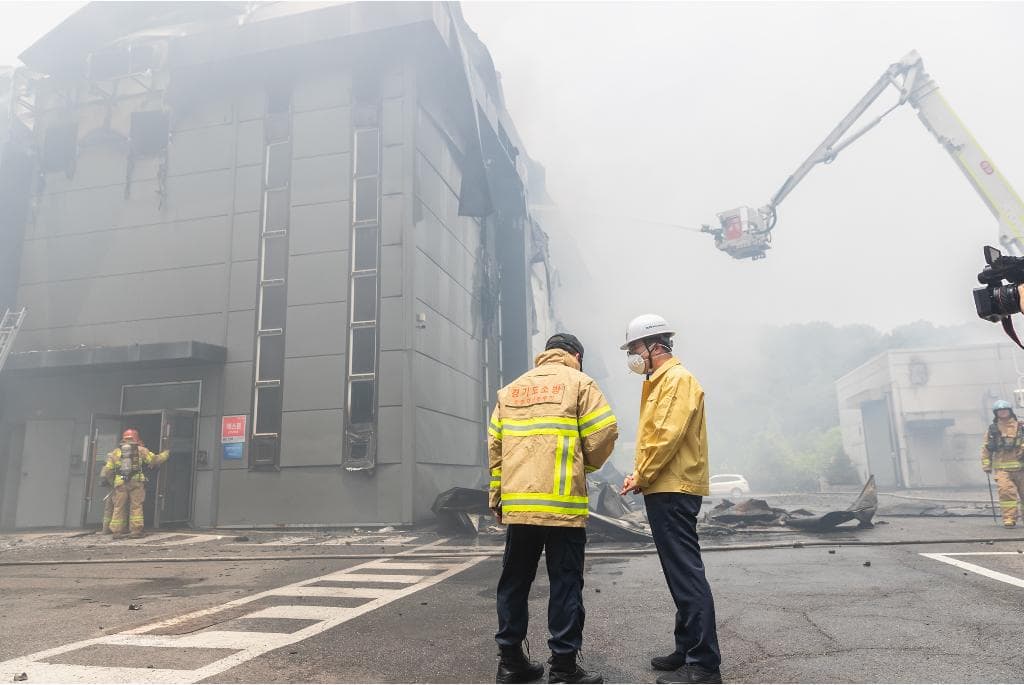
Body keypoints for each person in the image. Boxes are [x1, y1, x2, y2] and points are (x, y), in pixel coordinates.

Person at [489, 333, 619, 684]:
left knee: (514, 581)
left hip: (521, 506)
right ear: (576, 355)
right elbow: (604, 433)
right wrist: (583, 465)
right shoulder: (581, 383)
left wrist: (497, 496)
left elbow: (496, 448)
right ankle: (563, 668)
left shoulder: (511, 390)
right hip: (562, 505)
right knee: (564, 583)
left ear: (546, 354)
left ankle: (511, 663)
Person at [618, 314, 723, 685]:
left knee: (685, 573)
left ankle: (705, 663)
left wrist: (641, 474)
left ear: (655, 346)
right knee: (678, 572)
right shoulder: (660, 382)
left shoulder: (676, 380)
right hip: (665, 486)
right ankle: (686, 648)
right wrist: (644, 475)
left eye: (634, 349)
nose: (633, 356)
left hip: (673, 486)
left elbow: (667, 435)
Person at [101, 429, 170, 538]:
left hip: (120, 483)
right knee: (136, 506)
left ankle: (117, 532)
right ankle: (135, 531)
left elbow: (108, 471)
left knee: (118, 507)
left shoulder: (115, 452)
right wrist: (166, 453)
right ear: (137, 439)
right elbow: (154, 460)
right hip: (136, 482)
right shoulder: (141, 450)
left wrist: (112, 482)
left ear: (123, 439)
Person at [981, 400, 1024, 528]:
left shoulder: (1021, 427)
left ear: (1010, 411)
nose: (1003, 412)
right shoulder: (993, 430)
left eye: (1005, 410)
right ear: (996, 413)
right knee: (1006, 492)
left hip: (1022, 467)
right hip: (1002, 468)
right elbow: (986, 448)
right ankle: (1009, 518)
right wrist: (986, 465)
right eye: (1000, 410)